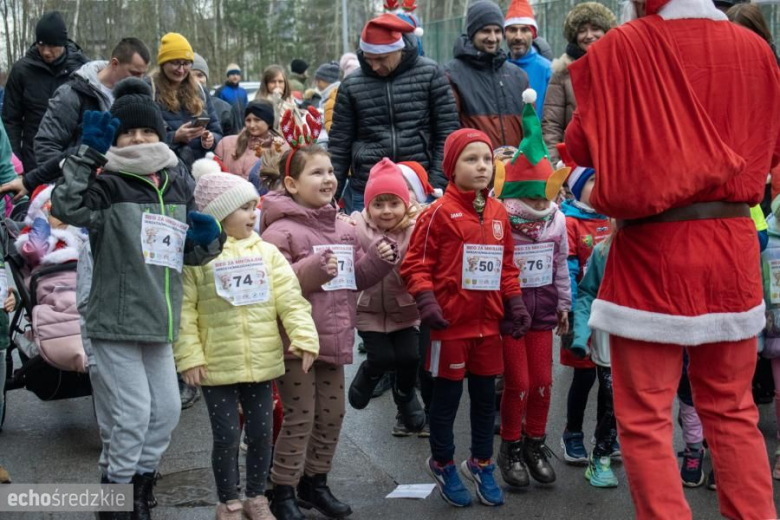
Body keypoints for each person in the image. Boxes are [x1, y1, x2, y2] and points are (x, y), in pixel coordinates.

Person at [564, 0, 780, 518]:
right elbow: (770, 154)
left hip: (651, 252)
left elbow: (578, 148)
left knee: (644, 417)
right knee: (732, 410)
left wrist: (590, 187)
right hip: (732, 246)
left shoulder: (620, 46)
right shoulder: (757, 50)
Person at [50, 77, 225, 519]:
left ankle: (140, 488)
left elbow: (185, 254)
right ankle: (116, 504)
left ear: (160, 134)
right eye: (128, 132)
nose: (139, 139)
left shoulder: (174, 180)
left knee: (165, 412)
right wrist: (87, 153)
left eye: (147, 131)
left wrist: (208, 241)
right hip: (115, 320)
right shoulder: (106, 183)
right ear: (115, 136)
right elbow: (67, 207)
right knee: (131, 416)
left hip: (161, 319)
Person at [260, 110, 396, 520]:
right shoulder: (278, 231)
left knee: (331, 416)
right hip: (295, 344)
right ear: (290, 184)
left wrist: (379, 260)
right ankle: (281, 489)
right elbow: (274, 286)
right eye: (317, 172)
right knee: (300, 417)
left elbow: (357, 277)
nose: (328, 179)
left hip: (333, 337)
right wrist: (315, 269)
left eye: (331, 171)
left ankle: (314, 483)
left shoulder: (344, 227)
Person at [174, 169, 319, 520]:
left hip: (260, 361)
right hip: (215, 365)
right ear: (219, 215)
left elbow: (290, 298)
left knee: (261, 433)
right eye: (244, 208)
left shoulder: (268, 253)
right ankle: (229, 501)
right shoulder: (197, 259)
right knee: (225, 437)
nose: (254, 214)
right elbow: (184, 312)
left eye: (255, 206)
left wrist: (304, 336)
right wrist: (189, 357)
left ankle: (256, 496)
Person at [401, 128, 530, 508]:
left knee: (485, 399)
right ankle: (442, 462)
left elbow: (507, 266)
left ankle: (481, 461)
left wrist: (515, 304)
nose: (481, 167)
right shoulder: (437, 213)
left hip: (488, 327)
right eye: (471, 159)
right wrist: (427, 301)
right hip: (449, 327)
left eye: (487, 160)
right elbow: (415, 264)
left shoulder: (498, 212)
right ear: (451, 167)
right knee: (446, 400)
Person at [493, 91, 571, 489]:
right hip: (510, 314)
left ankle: (534, 443)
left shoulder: (557, 221)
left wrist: (565, 306)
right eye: (529, 193)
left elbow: (560, 264)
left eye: (544, 192)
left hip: (543, 312)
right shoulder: (501, 220)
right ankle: (509, 446)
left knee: (543, 381)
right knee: (517, 383)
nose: (538, 201)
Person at [330, 14, 459, 213]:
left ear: (399, 49)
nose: (374, 66)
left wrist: (434, 184)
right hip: (366, 189)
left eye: (381, 59)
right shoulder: (351, 85)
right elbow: (339, 145)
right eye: (368, 59)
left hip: (420, 187)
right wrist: (330, 200)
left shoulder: (430, 74)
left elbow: (447, 133)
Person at [348, 158, 426, 437]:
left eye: (393, 203)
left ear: (406, 203)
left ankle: (404, 396)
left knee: (409, 357)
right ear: (367, 205)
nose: (386, 211)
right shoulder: (356, 227)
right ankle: (369, 374)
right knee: (381, 358)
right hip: (369, 309)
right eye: (378, 204)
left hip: (406, 308)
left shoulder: (416, 228)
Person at [555, 143, 615, 465]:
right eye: (593, 181)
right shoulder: (570, 222)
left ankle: (604, 435)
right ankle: (572, 434)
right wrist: (574, 311)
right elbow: (568, 269)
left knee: (610, 381)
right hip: (582, 315)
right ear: (578, 187)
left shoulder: (616, 219)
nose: (601, 187)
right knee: (585, 377)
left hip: (612, 316)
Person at [35, 38, 151, 169]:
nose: (140, 80)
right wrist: (67, 182)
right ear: (114, 64)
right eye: (135, 73)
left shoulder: (138, 97)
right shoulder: (71, 94)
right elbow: (47, 146)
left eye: (143, 74)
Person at [2, 11, 88, 171]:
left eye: (52, 46)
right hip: (31, 162)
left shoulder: (83, 71)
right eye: (41, 45)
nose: (46, 51)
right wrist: (15, 162)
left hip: (72, 162)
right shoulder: (22, 71)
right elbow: (11, 120)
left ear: (62, 43)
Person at [570, 230, 619, 488]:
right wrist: (580, 336)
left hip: (643, 339)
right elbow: (587, 293)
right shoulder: (602, 251)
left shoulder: (659, 245)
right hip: (608, 338)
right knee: (613, 400)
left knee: (629, 404)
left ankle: (609, 444)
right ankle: (600, 458)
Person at [445, 1, 528, 150]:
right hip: (476, 169)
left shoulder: (518, 76)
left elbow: (530, 129)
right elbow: (448, 130)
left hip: (515, 167)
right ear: (472, 33)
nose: (492, 38)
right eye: (485, 31)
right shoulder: (452, 75)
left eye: (497, 31)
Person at [541, 2, 616, 165]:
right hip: (576, 163)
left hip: (614, 159)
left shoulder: (619, 67)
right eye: (582, 31)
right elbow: (551, 125)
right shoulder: (562, 73)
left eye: (595, 28)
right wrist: (555, 166)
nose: (589, 35)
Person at [150, 33, 222, 168]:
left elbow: (216, 129)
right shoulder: (150, 90)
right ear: (163, 63)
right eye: (175, 63)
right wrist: (174, 137)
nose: (181, 69)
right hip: (166, 169)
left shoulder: (199, 90)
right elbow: (142, 139)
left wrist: (211, 139)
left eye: (186, 63)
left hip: (198, 169)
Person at [215, 100, 284, 180]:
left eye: (257, 120)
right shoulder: (226, 143)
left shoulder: (279, 147)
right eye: (248, 120)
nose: (251, 125)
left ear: (269, 122)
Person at [503, 0, 551, 114]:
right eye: (513, 30)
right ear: (505, 34)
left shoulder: (547, 70)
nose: (518, 36)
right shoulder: (497, 69)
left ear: (533, 34)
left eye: (524, 30)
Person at [192, 53, 242, 137]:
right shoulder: (170, 108)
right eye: (189, 76)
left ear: (206, 78)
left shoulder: (224, 109)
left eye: (200, 75)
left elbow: (233, 144)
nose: (195, 81)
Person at [253, 65, 296, 133]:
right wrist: (276, 99)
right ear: (266, 84)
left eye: (280, 81)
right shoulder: (261, 102)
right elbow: (275, 124)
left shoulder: (290, 100)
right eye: (273, 82)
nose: (277, 85)